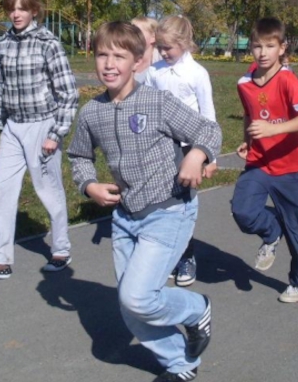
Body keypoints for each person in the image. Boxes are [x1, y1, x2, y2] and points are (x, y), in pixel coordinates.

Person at [68, 22, 221, 382]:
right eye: (102, 55)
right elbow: (79, 156)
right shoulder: (92, 112)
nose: (109, 64)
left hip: (169, 209)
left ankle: (196, 308)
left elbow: (208, 130)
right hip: (125, 217)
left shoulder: (157, 101)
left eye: (118, 56)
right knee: (131, 307)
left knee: (138, 298)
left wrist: (196, 154)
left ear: (138, 61)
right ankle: (180, 364)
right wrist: (89, 185)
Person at [0, 0, 79, 280]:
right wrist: (2, 124)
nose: (16, 14)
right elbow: (0, 87)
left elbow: (69, 93)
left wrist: (55, 134)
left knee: (48, 189)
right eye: (12, 9)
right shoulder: (3, 44)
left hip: (42, 125)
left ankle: (61, 249)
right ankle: (0, 260)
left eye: (22, 8)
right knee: (2, 188)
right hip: (12, 128)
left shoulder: (48, 43)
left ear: (34, 11)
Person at [231, 17, 298, 303]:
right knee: (243, 211)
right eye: (257, 46)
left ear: (282, 48)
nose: (263, 52)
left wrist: (273, 129)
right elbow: (249, 114)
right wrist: (248, 140)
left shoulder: (287, 79)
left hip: (290, 166)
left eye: (270, 46)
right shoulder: (244, 82)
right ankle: (271, 232)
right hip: (259, 161)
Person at [145, 15, 217, 287]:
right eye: (159, 47)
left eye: (168, 48)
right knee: (162, 202)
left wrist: (209, 156)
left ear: (184, 43)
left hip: (189, 149)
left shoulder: (197, 74)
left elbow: (208, 115)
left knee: (183, 204)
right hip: (161, 146)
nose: (163, 52)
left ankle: (186, 256)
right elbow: (147, 106)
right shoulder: (154, 72)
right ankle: (167, 255)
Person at [131, 16, 162, 83]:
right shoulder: (127, 59)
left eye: (137, 32)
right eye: (131, 32)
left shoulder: (162, 62)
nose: (132, 36)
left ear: (153, 37)